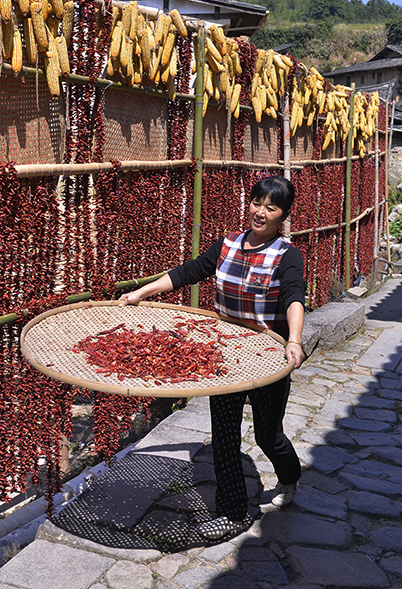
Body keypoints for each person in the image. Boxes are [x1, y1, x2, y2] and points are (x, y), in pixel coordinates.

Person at [119, 175, 305, 542]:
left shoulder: (287, 255)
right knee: (223, 435)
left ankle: (289, 477)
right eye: (256, 202)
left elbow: (294, 297)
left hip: (267, 356)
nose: (260, 212)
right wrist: (142, 292)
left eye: (271, 207)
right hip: (224, 353)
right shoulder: (227, 245)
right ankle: (233, 512)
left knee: (269, 435)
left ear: (283, 215)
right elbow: (187, 273)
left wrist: (294, 340)